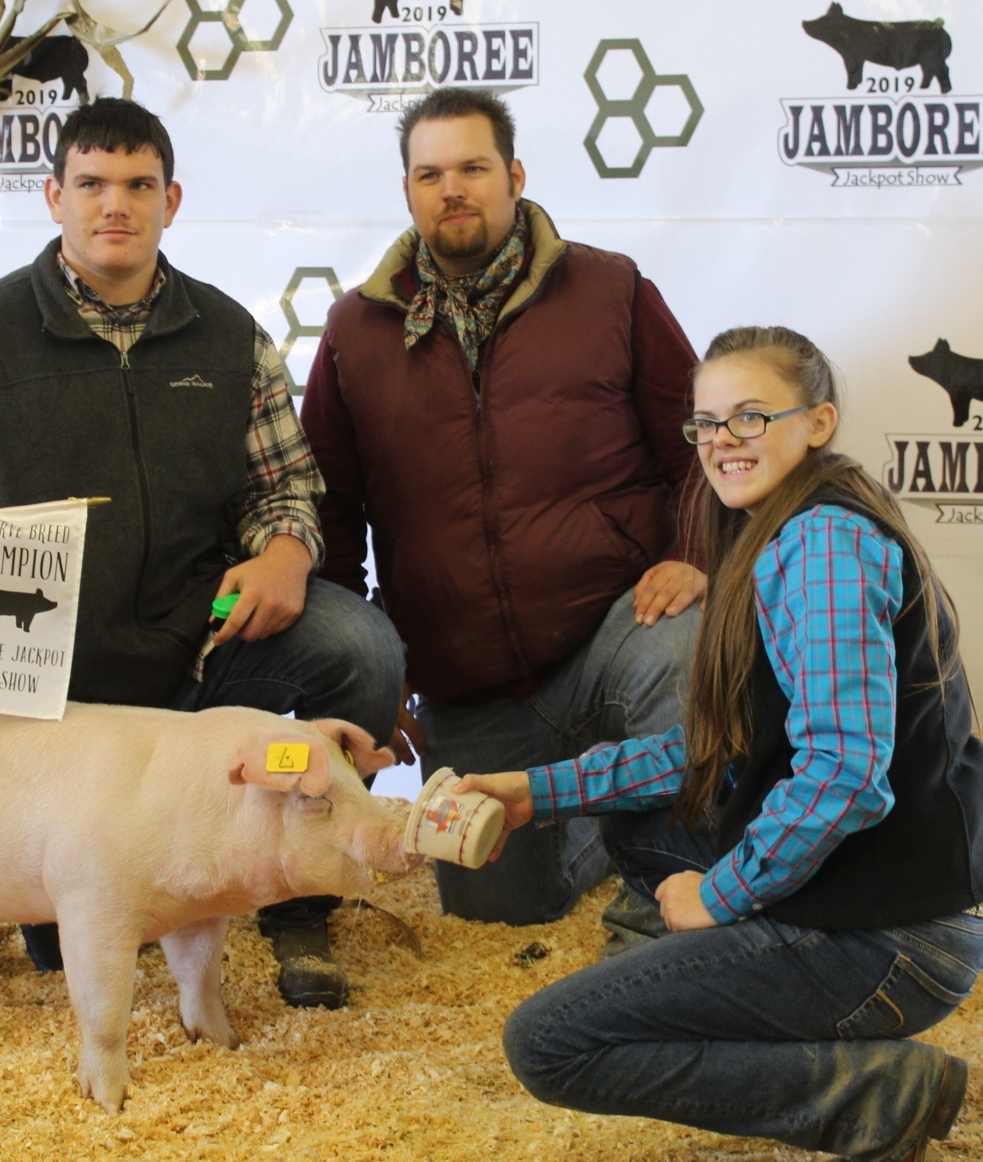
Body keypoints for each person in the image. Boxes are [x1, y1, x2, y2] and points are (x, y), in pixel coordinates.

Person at [0, 98, 403, 1010]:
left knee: (361, 649)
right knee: (63, 942)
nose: (113, 205)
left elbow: (285, 488)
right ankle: (88, 884)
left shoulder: (232, 337)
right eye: (90, 184)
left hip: (200, 636)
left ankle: (298, 900)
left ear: (172, 199)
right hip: (52, 678)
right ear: (52, 197)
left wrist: (285, 552)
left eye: (137, 185)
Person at [457, 326, 983, 1162]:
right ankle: (714, 989)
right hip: (902, 903)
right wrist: (539, 791)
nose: (721, 441)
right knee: (638, 822)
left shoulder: (820, 543)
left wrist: (721, 894)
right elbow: (716, 744)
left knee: (547, 1042)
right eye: (706, 423)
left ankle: (873, 1091)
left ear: (818, 421)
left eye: (750, 417)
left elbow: (844, 769)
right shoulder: (783, 525)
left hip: (896, 941)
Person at [300, 87, 705, 929]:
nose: (453, 188)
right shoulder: (354, 330)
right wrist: (373, 670)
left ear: (513, 175)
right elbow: (330, 521)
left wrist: (694, 551)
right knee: (496, 907)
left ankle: (659, 914)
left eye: (473, 168)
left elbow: (698, 450)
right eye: (430, 173)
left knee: (688, 647)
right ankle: (599, 820)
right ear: (407, 191)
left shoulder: (612, 289)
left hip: (615, 625)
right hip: (470, 679)